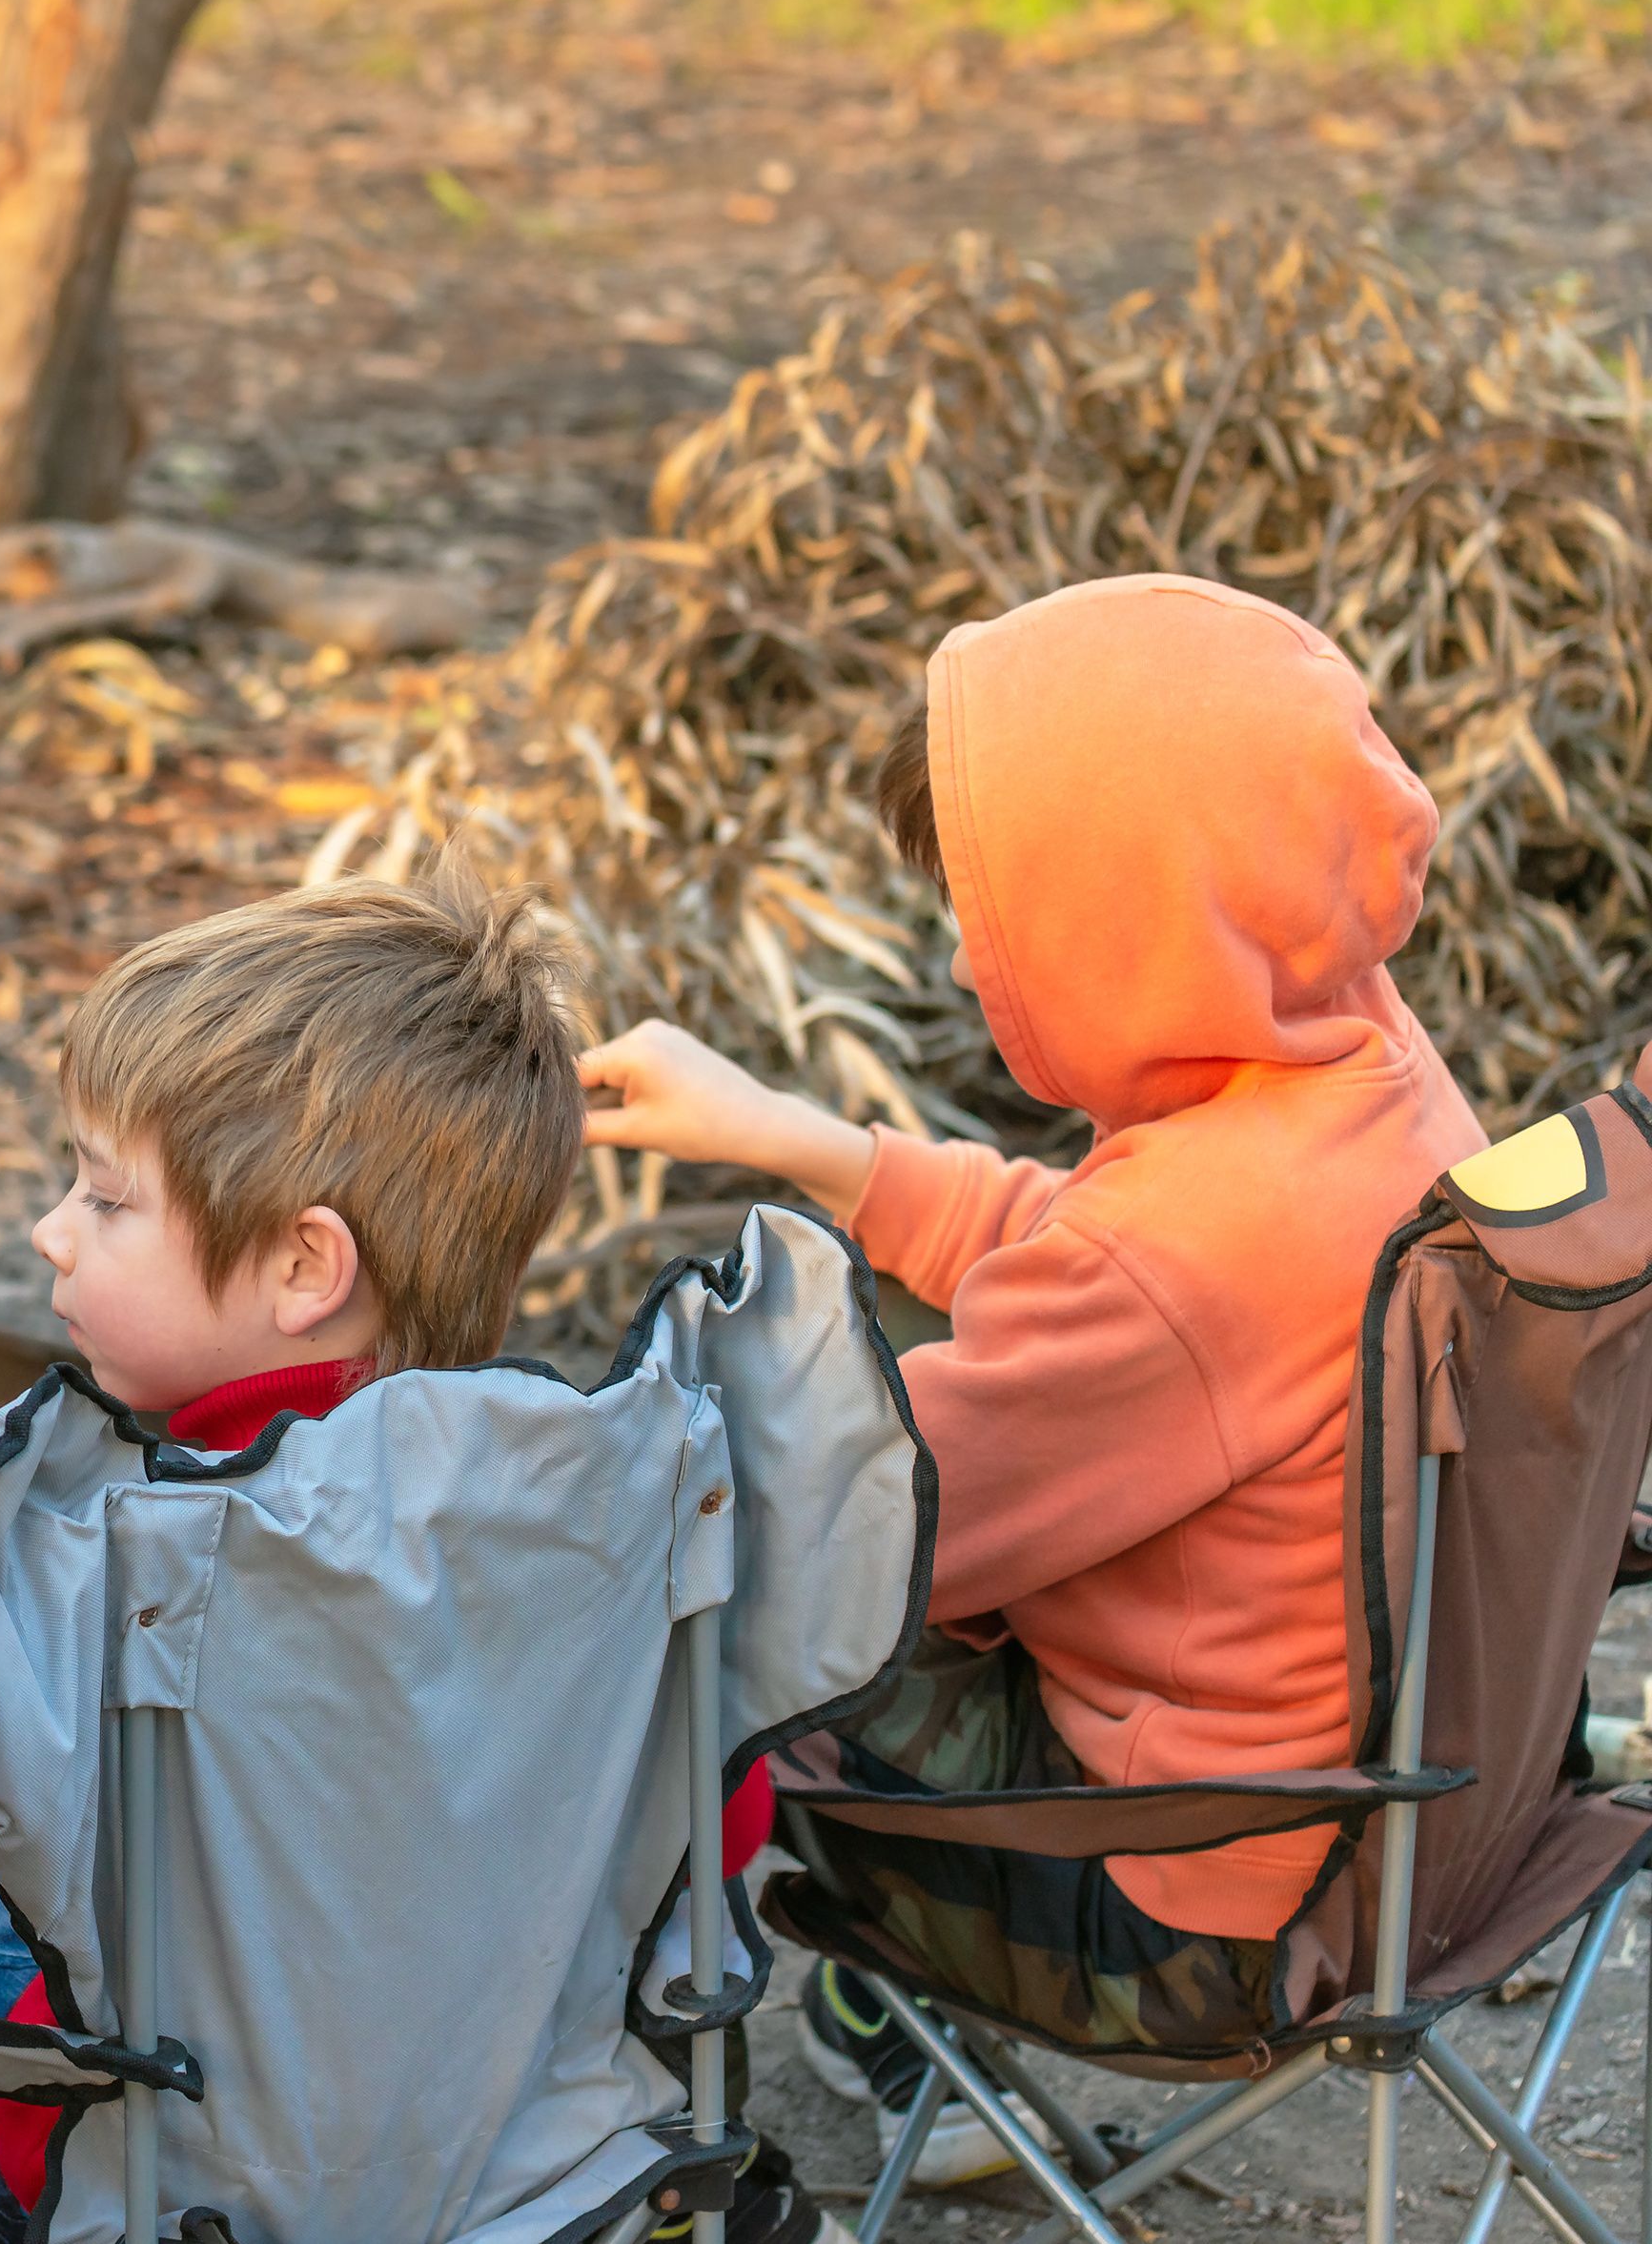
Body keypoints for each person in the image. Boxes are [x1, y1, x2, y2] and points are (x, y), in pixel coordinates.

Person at [0, 870, 808, 2244]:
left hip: (174, 2188)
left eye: (107, 1198)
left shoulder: (100, 1567)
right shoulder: (620, 1525)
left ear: (305, 1266)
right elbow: (723, 1832)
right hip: (534, 2177)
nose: (52, 1228)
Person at [577, 574, 1486, 2178]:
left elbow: (835, 1516)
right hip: (1393, 1827)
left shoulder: (1171, 1268)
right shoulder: (1363, 1085)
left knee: (696, 1617)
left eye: (991, 913)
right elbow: (1096, 1262)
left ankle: (585, 2080)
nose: (954, 944)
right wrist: (801, 1141)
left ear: (1118, 927)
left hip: (1169, 1906)